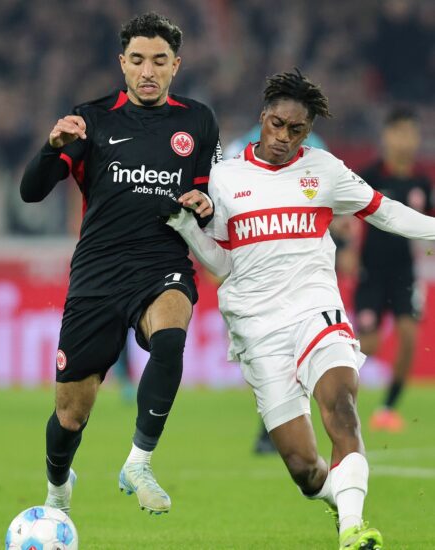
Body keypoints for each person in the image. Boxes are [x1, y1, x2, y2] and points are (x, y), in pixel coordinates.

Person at [164, 68, 435, 549]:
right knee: (305, 469)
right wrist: (188, 229)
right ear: (262, 117)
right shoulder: (225, 178)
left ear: (308, 132)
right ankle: (339, 502)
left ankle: (353, 529)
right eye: (277, 125)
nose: (284, 138)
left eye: (297, 130)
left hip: (316, 310)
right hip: (257, 327)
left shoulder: (324, 170)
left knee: (342, 407)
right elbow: (222, 263)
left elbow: (385, 211)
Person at [20, 12, 220, 516]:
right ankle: (58, 487)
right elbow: (31, 192)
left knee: (170, 338)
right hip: (98, 273)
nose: (148, 71)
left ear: (176, 65)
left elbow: (207, 199)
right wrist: (50, 148)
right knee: (71, 415)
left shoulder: (198, 121)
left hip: (161, 262)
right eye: (137, 60)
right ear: (122, 64)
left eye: (159, 60)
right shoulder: (91, 119)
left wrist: (205, 205)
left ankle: (139, 461)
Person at [225, 124, 328, 454]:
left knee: (297, 353)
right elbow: (224, 199)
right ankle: (274, 425)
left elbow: (327, 197)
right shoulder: (242, 146)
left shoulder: (316, 147)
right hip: (258, 269)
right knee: (268, 356)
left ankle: (275, 428)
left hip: (300, 267)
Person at [354, 107, 432, 432]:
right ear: (386, 136)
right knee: (368, 345)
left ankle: (387, 408)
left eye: (411, 133)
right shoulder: (370, 176)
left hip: (405, 274)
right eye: (399, 132)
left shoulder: (421, 182)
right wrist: (347, 252)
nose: (405, 140)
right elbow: (347, 218)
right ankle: (334, 395)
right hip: (371, 274)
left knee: (410, 336)